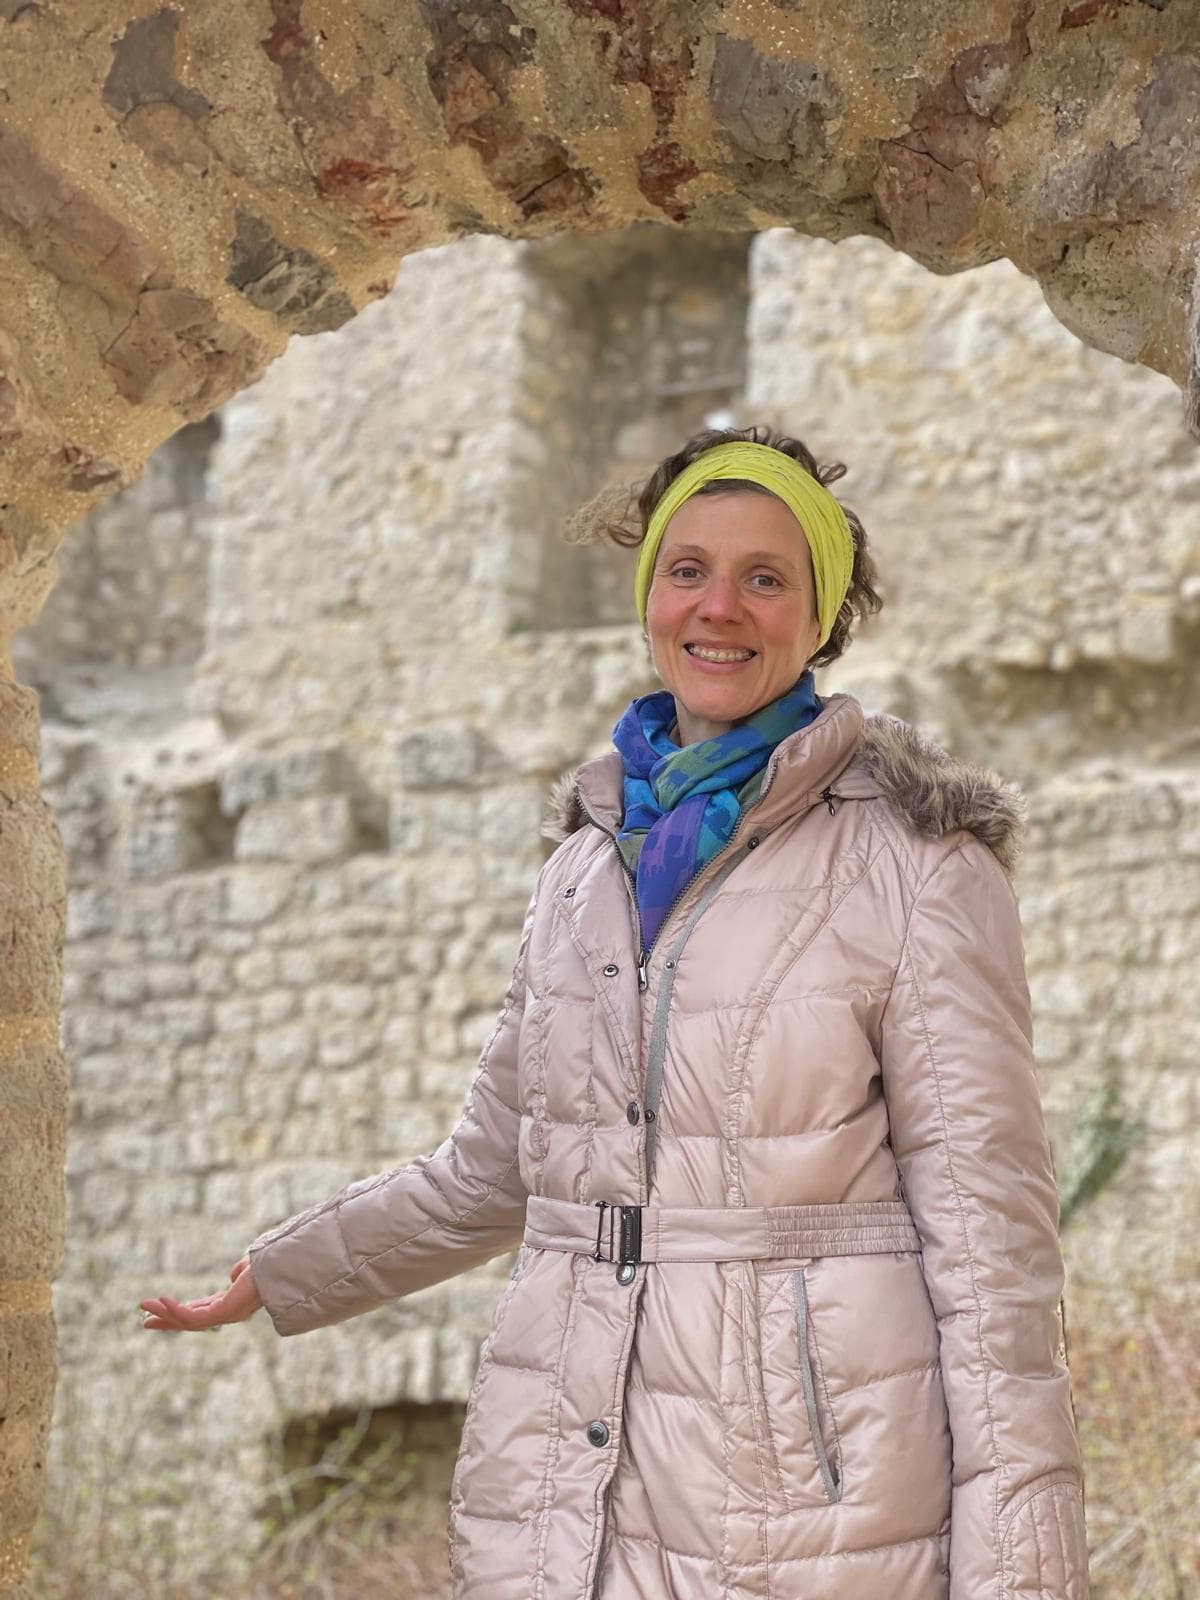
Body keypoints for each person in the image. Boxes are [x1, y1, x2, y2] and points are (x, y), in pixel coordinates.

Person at [142, 425, 1089, 1599]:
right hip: (562, 1486)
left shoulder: (918, 863)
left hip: (803, 1515)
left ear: (819, 618)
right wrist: (285, 1273)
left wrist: (1023, 1575)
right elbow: (497, 1172)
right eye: (688, 569)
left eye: (765, 578)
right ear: (649, 594)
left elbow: (993, 1254)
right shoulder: (585, 869)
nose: (720, 608)